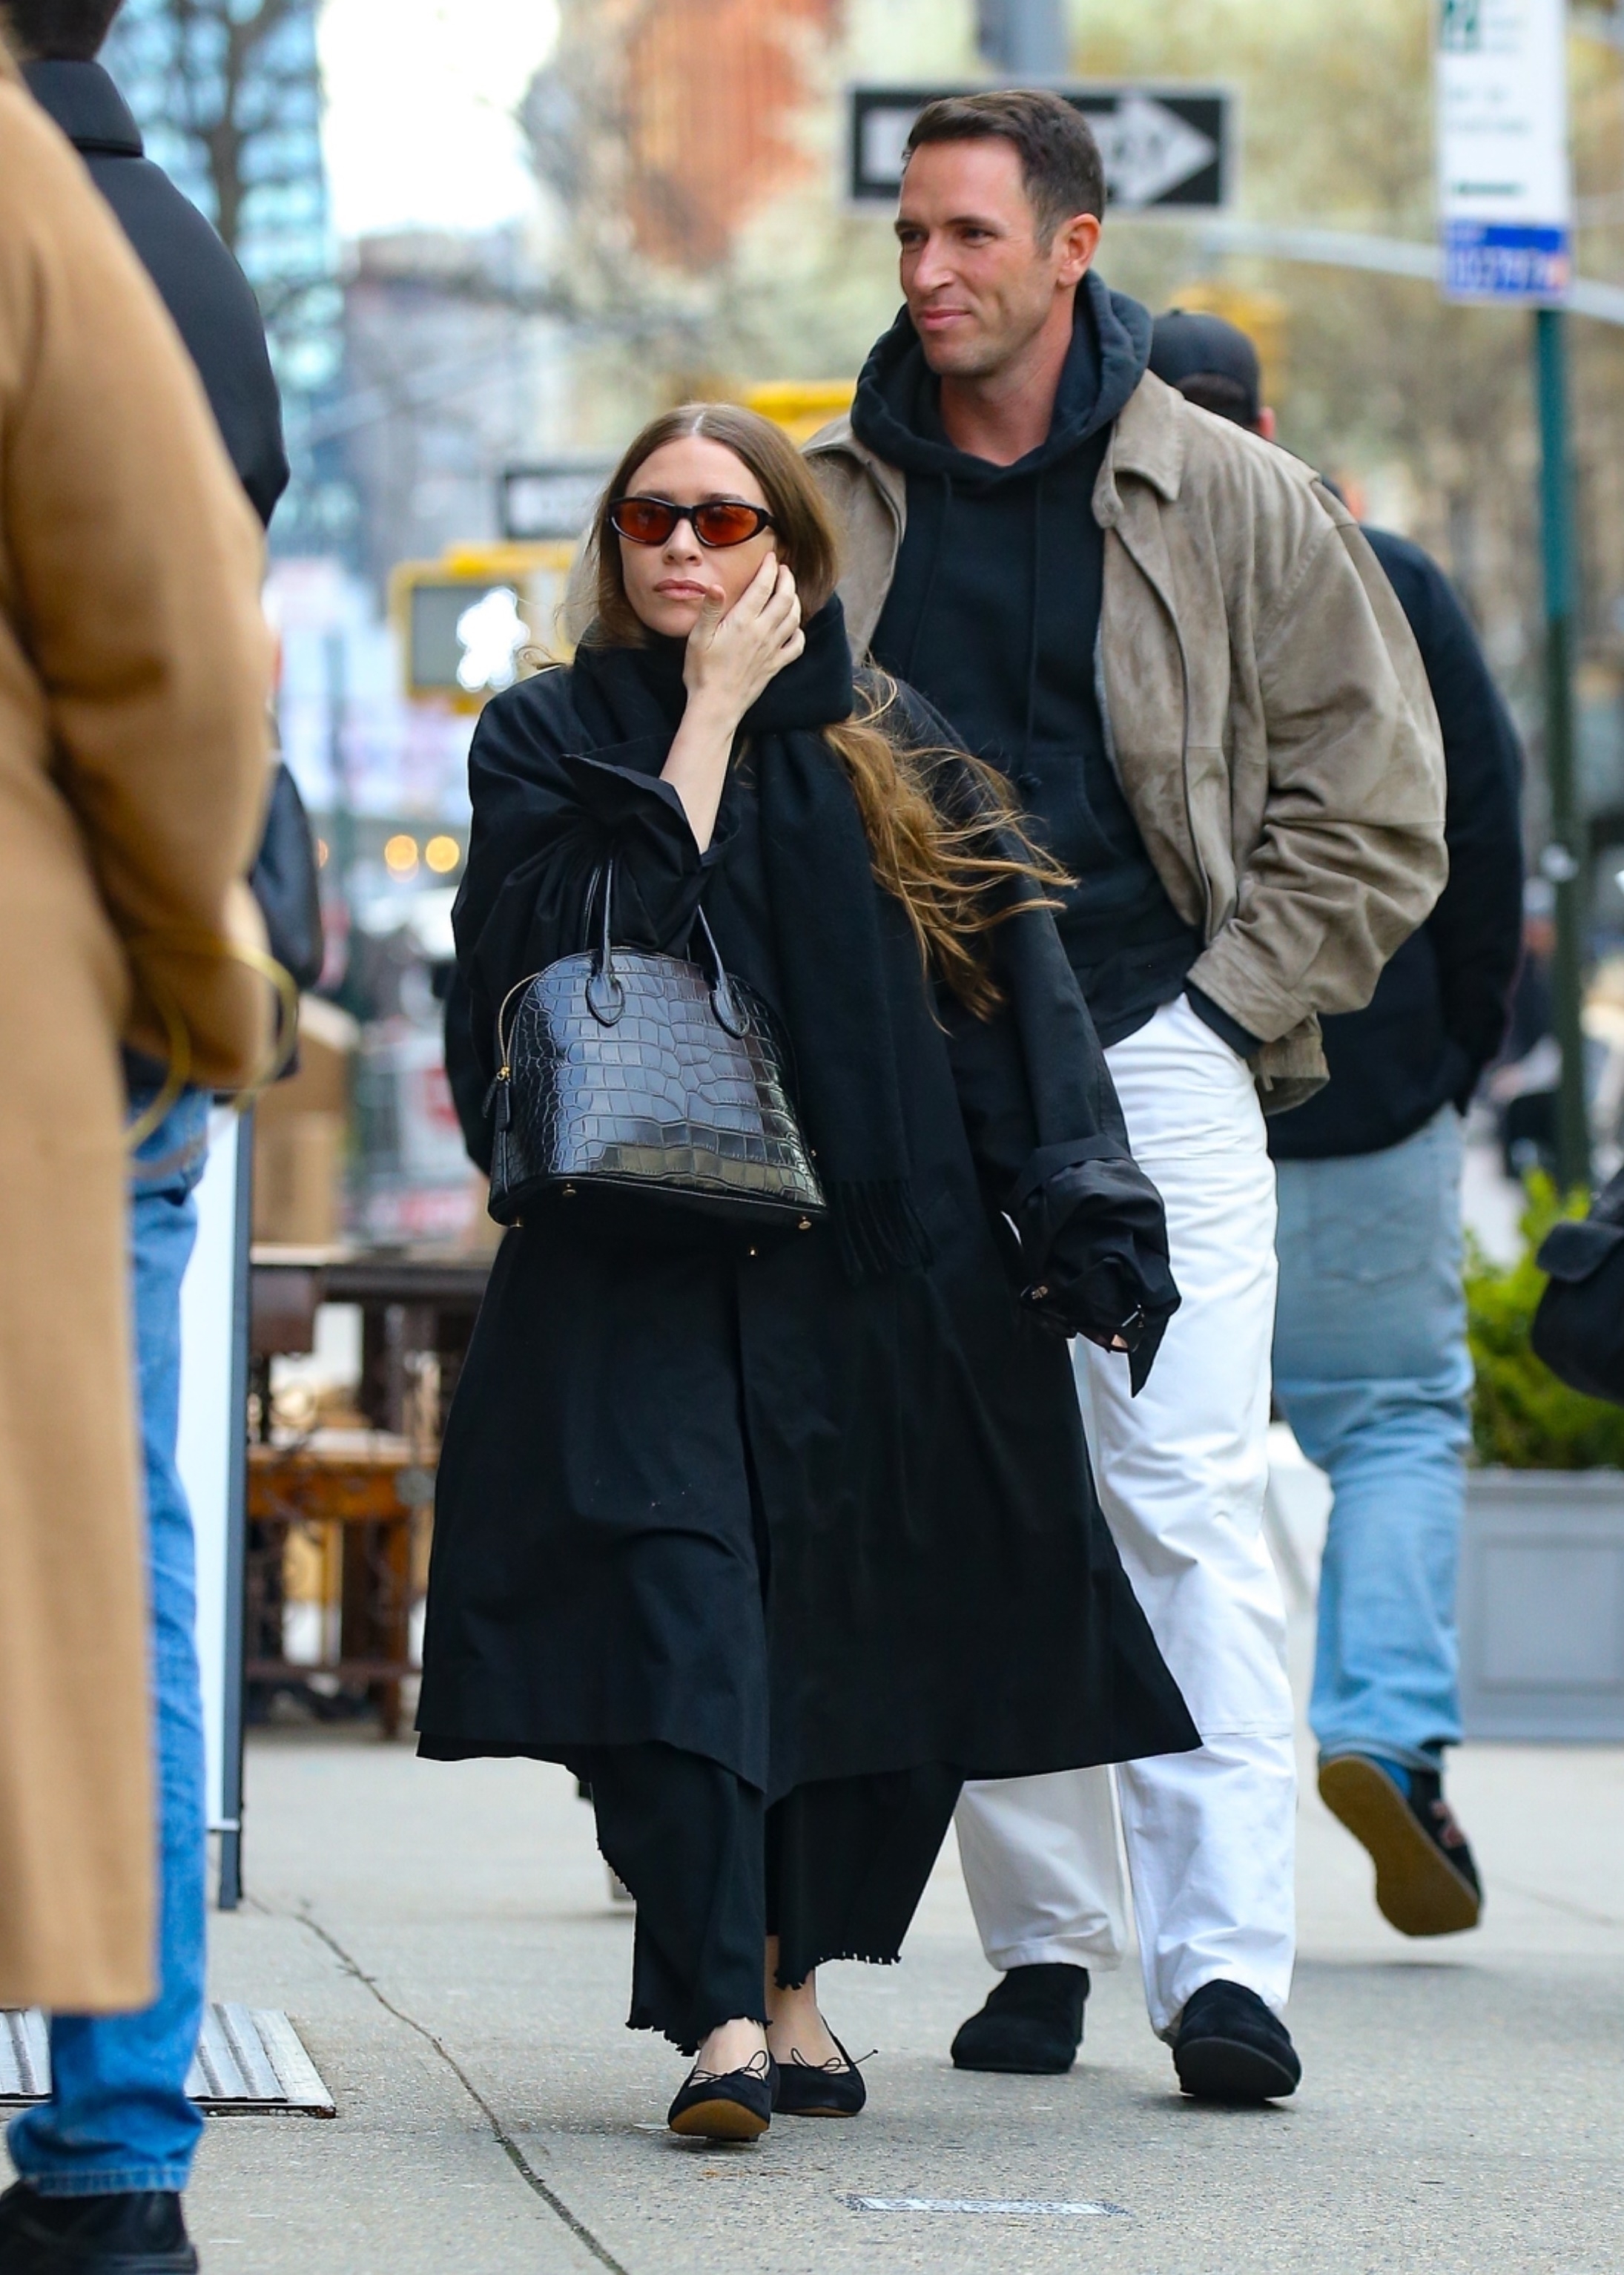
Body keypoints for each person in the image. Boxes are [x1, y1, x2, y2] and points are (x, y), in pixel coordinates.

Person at [417, 401, 1200, 2143]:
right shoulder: (546, 733)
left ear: (789, 544)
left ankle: (792, 1984)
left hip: (878, 1273)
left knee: (866, 1641)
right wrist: (698, 725)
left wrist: (1081, 1208)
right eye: (651, 520)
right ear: (612, 546)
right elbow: (557, 961)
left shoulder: (893, 742)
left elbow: (1015, 1005)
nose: (685, 549)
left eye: (725, 519)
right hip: (637, 1268)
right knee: (676, 1615)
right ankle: (713, 2012)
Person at [803, 90, 1446, 2101]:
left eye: (967, 237)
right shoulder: (828, 497)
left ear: (1069, 247)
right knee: (987, 1495)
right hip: (916, 1071)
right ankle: (1046, 1946)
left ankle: (1220, 1965)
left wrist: (1217, 1017)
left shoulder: (1226, 492)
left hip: (1148, 1040)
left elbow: (1374, 800)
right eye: (908, 234)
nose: (926, 272)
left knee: (1179, 1493)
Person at [1149, 308, 1525, 1937]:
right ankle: (1381, 1727)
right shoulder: (1397, 586)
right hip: (1366, 1088)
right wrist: (1450, 1061)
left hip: (1166, 1085)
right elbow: (1481, 838)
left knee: (1177, 1457)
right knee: (1388, 1420)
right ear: (1275, 419)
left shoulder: (1118, 582)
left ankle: (1171, 1776)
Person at [0, 26, 271, 2275]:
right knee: (102, 1539)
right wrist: (202, 982)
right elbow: (179, 653)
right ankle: (106, 2144)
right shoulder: (136, 248)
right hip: (51, 1002)